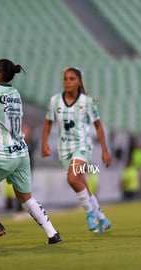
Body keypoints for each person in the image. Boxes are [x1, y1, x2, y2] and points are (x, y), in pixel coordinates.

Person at [0, 58, 62, 245]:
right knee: (26, 198)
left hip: (2, 154)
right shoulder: (15, 93)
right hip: (21, 152)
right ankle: (53, 234)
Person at [41, 67, 112, 233]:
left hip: (82, 146)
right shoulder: (55, 101)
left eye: (72, 79)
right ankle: (102, 219)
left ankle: (89, 213)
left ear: (79, 82)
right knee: (83, 185)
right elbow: (47, 122)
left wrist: (104, 150)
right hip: (64, 148)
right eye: (65, 78)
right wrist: (45, 144)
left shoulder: (86, 102)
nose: (68, 82)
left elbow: (98, 125)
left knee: (72, 179)